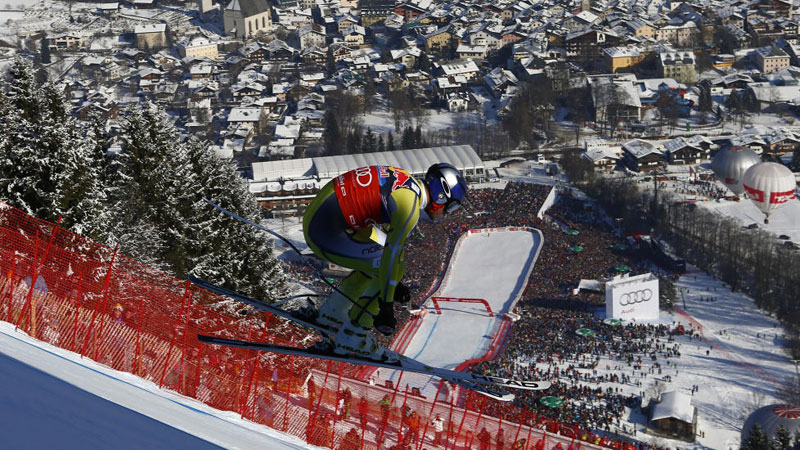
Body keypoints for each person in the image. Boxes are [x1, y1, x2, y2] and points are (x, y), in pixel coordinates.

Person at [302, 163, 468, 360]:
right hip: (324, 232)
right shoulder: (409, 208)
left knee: (390, 264)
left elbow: (387, 244)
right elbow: (391, 256)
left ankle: (333, 314)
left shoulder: (407, 183)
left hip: (322, 219)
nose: (448, 213)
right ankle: (354, 335)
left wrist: (394, 283)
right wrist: (387, 305)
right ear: (441, 196)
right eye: (452, 206)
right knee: (391, 266)